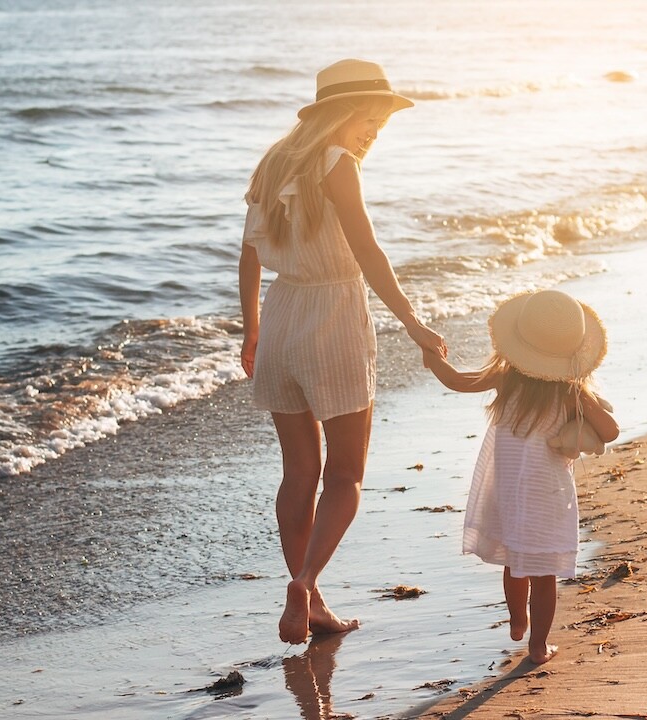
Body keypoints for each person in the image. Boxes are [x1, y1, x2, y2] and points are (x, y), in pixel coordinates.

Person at [238, 59, 447, 645]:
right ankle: (305, 582)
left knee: (298, 471)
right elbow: (369, 253)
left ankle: (314, 601)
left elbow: (249, 255)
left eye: (382, 121)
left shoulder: (273, 161)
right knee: (347, 473)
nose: (376, 129)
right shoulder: (339, 164)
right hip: (332, 319)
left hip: (282, 318)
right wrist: (413, 323)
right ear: (340, 111)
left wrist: (251, 330)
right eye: (370, 117)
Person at [422, 289, 619, 664]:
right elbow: (609, 432)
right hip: (546, 492)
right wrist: (584, 413)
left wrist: (433, 357)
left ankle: (517, 620)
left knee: (516, 561)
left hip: (508, 487)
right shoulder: (568, 389)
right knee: (543, 574)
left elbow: (458, 381)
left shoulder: (505, 378)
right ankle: (538, 646)